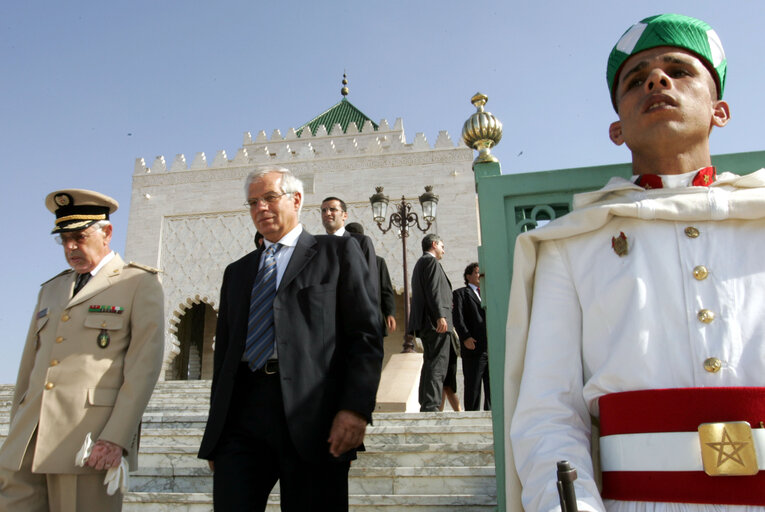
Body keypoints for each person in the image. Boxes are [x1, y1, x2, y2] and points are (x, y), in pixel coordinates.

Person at [508, 14, 765, 511]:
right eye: (636, 78)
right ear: (616, 129)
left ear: (721, 110)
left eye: (679, 70)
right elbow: (549, 416)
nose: (656, 79)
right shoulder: (573, 244)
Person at [198, 168, 383, 511]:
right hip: (243, 415)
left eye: (269, 198)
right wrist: (216, 434)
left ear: (296, 200)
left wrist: (355, 408)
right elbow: (224, 356)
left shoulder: (337, 253)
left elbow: (365, 334)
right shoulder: (237, 272)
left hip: (314, 415)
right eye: (253, 202)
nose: (261, 208)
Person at [0, 189, 165, 511]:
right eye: (63, 239)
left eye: (79, 236)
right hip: (28, 438)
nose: (70, 247)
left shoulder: (138, 283)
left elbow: (143, 367)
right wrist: (15, 426)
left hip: (87, 440)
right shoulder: (52, 288)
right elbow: (29, 365)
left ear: (107, 232)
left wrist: (117, 437)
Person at [408, 233, 454, 412]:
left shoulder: (421, 263)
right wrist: (440, 315)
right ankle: (432, 404)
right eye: (442, 246)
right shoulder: (431, 262)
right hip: (436, 322)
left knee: (430, 361)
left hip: (426, 322)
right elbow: (434, 290)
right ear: (434, 244)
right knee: (437, 362)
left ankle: (427, 402)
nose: (444, 250)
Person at [345, 222, 397, 336]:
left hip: (373, 318)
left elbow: (386, 289)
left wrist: (390, 313)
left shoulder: (378, 262)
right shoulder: (342, 259)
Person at [320, 197, 379, 297]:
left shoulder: (361, 242)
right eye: (324, 210)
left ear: (345, 215)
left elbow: (370, 281)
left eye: (333, 209)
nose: (327, 213)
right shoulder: (318, 245)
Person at [453, 263, 490, 411]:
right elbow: (458, 318)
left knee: (491, 385)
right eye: (476, 272)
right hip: (473, 347)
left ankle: (491, 413)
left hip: (490, 347)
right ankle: (472, 413)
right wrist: (466, 337)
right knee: (473, 384)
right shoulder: (461, 294)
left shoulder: (488, 293)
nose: (479, 275)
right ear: (468, 276)